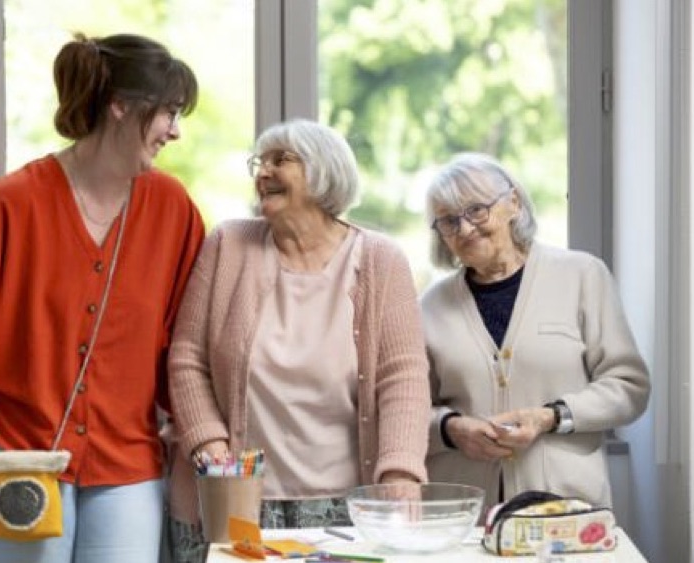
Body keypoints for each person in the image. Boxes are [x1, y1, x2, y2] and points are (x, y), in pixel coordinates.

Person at [0, 32, 204, 563]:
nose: (175, 130)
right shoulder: (10, 207)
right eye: (168, 112)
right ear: (121, 106)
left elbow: (189, 338)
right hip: (18, 452)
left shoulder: (173, 210)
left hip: (126, 459)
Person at [165, 119, 431, 562]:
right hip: (232, 496)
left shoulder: (381, 259)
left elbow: (403, 375)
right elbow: (187, 358)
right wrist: (209, 444)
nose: (263, 172)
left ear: (325, 172)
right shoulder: (229, 244)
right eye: (259, 162)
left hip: (345, 505)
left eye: (281, 160)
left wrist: (400, 469)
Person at [419, 152, 650, 512]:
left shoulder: (582, 276)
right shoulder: (430, 306)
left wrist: (550, 416)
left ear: (513, 202)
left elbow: (629, 387)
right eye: (448, 221)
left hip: (563, 508)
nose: (465, 229)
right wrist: (451, 429)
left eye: (476, 210)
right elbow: (408, 407)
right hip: (463, 514)